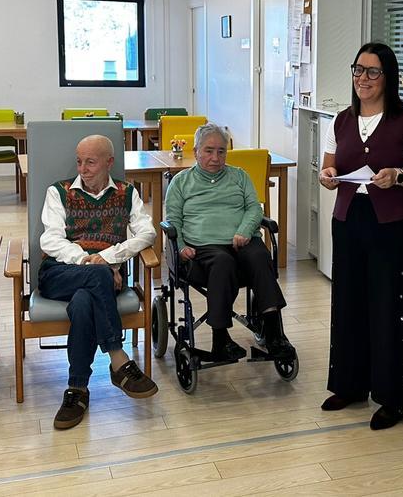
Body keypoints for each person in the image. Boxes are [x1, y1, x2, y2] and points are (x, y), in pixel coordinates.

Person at [318, 42, 403, 430]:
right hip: (348, 219)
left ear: (388, 77)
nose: (362, 78)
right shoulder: (341, 120)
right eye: (358, 70)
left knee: (390, 307)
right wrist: (326, 177)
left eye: (372, 72)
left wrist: (396, 176)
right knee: (348, 302)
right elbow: (329, 168)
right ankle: (349, 384)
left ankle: (393, 396)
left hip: (392, 224)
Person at [39, 134, 157, 431]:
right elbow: (50, 239)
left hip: (102, 277)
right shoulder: (58, 192)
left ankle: (77, 389)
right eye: (79, 161)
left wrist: (107, 258)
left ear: (110, 163)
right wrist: (89, 263)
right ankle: (118, 358)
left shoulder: (127, 193)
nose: (83, 168)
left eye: (90, 162)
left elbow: (147, 233)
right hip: (60, 272)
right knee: (96, 278)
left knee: (83, 303)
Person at [164, 123, 294, 363]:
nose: (215, 157)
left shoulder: (239, 175)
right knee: (222, 262)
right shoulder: (181, 182)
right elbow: (173, 220)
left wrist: (245, 229)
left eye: (221, 151)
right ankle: (220, 338)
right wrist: (181, 247)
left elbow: (255, 208)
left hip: (242, 241)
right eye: (209, 150)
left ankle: (275, 333)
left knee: (260, 256)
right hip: (204, 247)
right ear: (196, 151)